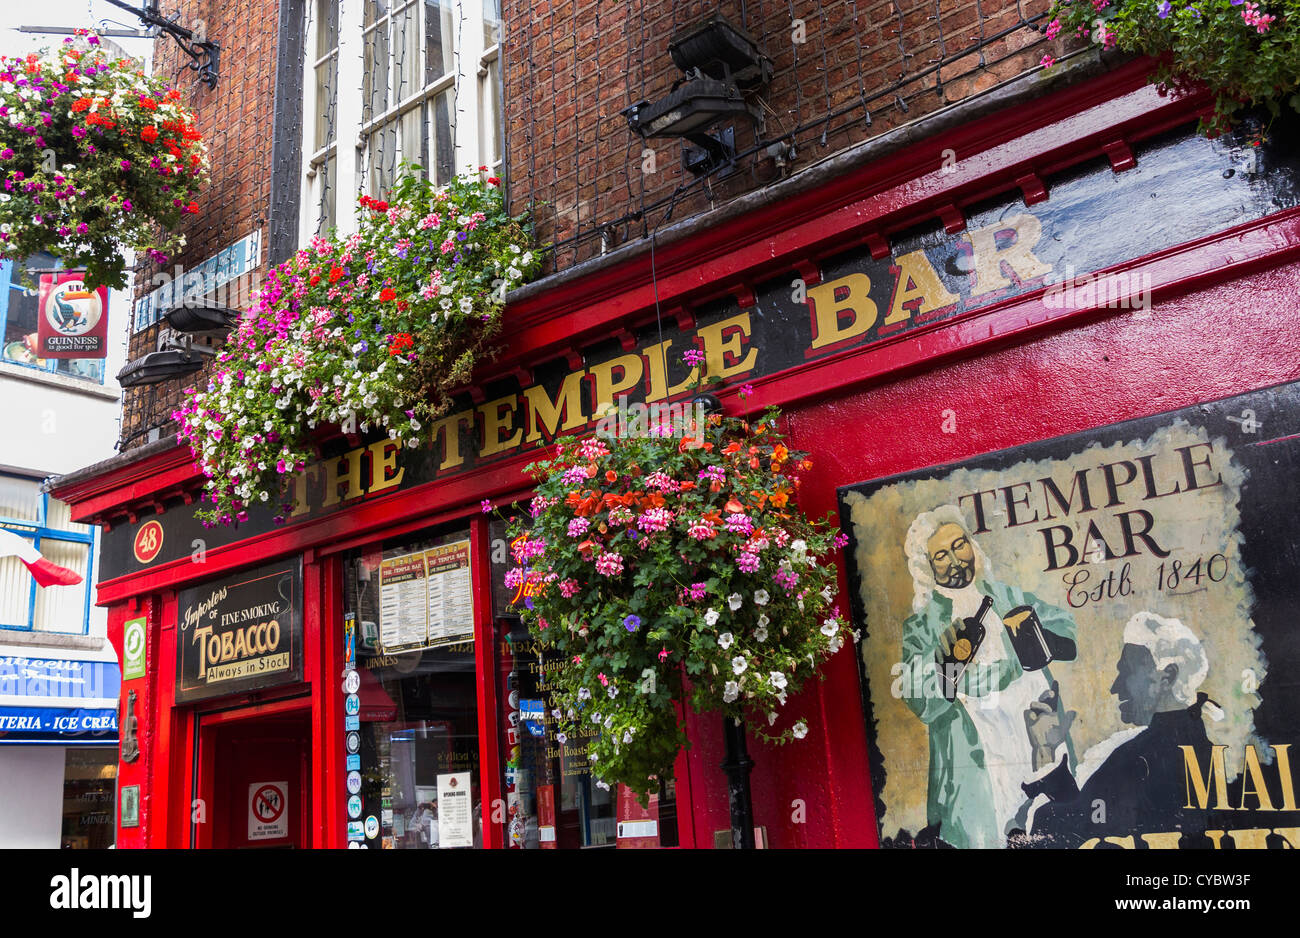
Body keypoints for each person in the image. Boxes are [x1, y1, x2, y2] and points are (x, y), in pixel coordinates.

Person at [898, 505, 1078, 848]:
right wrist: (946, 665)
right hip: (979, 750)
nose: (954, 560)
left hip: (1035, 734)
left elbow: (1065, 628)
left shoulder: (1007, 596)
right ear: (926, 566)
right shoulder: (921, 628)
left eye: (959, 545)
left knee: (1052, 830)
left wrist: (1042, 639)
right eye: (940, 555)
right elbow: (919, 699)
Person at [1017, 611, 1219, 847]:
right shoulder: (1198, 750)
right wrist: (1048, 752)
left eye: (1127, 671)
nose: (1115, 688)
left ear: (1167, 676)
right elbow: (1091, 820)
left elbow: (1064, 833)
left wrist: (1044, 752)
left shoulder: (1138, 757)